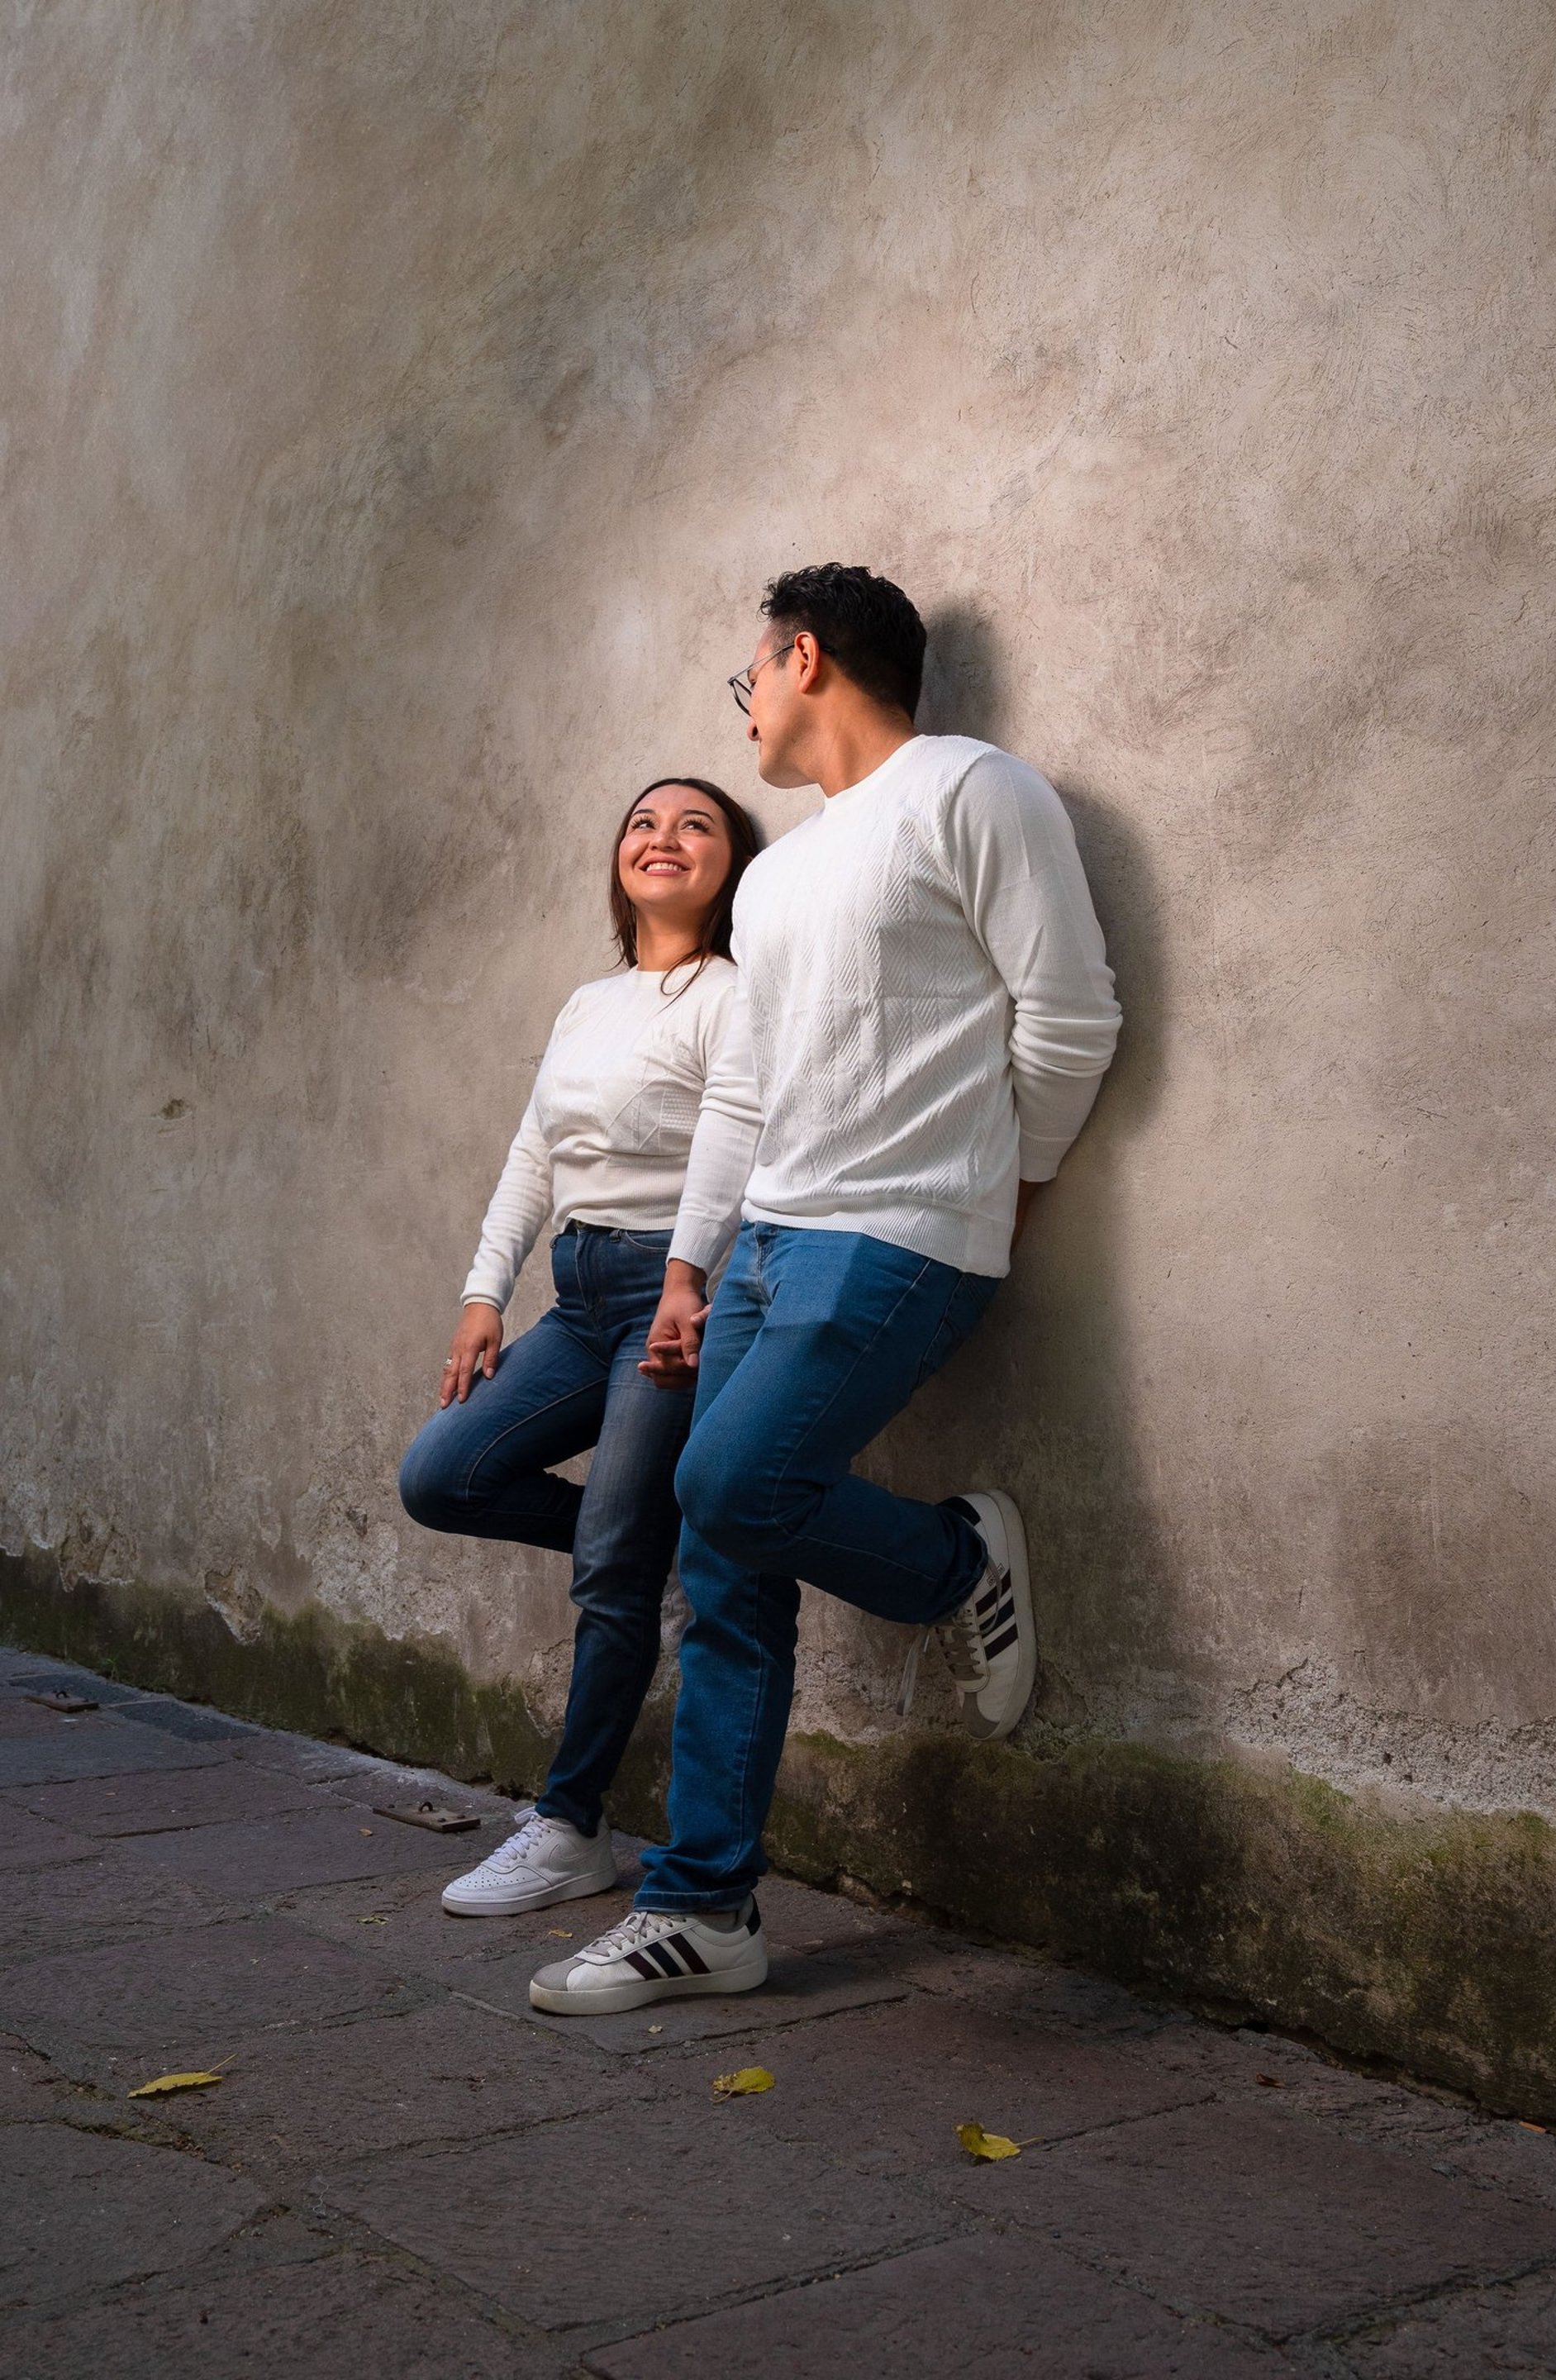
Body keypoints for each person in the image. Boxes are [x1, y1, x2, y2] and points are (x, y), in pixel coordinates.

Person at [528, 564, 1122, 2015]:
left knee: (729, 1488)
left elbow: (1070, 1016)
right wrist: (691, 1265)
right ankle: (703, 1911)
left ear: (803, 661)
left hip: (900, 1236)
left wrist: (1010, 1193)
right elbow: (746, 1090)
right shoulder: (781, 871)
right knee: (723, 1559)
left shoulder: (973, 790)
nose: (746, 711)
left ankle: (956, 1565)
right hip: (767, 1245)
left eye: (751, 679)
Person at [398, 776, 759, 1916]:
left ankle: (570, 1825)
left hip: (670, 1292)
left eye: (696, 825)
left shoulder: (735, 992)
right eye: (644, 822)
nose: (663, 838)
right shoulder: (588, 1004)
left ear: (732, 863)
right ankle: (638, 1547)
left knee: (609, 1563)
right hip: (579, 1291)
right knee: (442, 1474)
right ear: (619, 858)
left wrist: (690, 1276)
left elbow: (736, 1140)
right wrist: (482, 1292)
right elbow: (534, 1152)